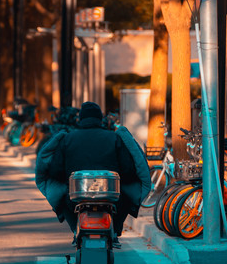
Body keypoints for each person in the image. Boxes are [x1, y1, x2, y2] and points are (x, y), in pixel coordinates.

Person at [35, 101, 151, 247]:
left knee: (62, 199)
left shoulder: (68, 139)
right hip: (111, 198)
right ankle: (114, 233)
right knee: (126, 198)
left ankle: (75, 232)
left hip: (76, 197)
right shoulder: (114, 138)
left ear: (80, 119)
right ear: (100, 118)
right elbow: (127, 169)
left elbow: (56, 170)